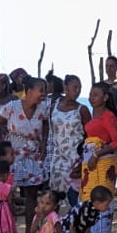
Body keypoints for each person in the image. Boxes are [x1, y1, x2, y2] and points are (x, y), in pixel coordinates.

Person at [0, 76, 50, 233]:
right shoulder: (12, 107)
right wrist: (1, 146)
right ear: (29, 91)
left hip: (33, 156)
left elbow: (46, 125)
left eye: (45, 91)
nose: (43, 94)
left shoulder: (43, 108)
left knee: (31, 196)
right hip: (13, 156)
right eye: (40, 90)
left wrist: (43, 143)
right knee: (4, 194)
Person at [47, 75, 89, 209]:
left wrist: (84, 161)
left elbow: (91, 137)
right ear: (65, 87)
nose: (77, 91)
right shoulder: (53, 107)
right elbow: (49, 132)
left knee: (75, 199)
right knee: (55, 198)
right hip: (57, 159)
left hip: (75, 160)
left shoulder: (82, 110)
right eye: (74, 87)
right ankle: (54, 227)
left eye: (80, 88)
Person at [78, 82, 117, 200]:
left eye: (95, 95)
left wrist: (96, 154)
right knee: (90, 198)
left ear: (105, 97)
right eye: (90, 95)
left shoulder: (108, 116)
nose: (91, 98)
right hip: (91, 162)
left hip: (103, 162)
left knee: (101, 198)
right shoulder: (95, 115)